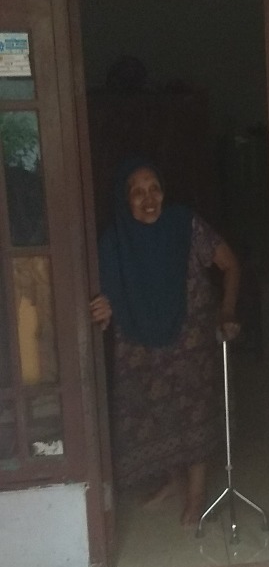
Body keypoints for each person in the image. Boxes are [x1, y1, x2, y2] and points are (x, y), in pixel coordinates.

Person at [89, 158, 240, 526]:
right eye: (137, 192)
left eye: (154, 188)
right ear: (124, 199)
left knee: (193, 411)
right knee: (156, 413)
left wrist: (226, 311)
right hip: (139, 343)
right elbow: (101, 299)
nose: (149, 199)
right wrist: (102, 308)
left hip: (189, 338)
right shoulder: (113, 242)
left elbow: (230, 265)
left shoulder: (184, 225)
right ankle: (173, 480)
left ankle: (196, 494)